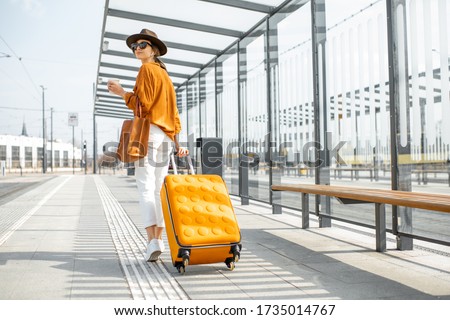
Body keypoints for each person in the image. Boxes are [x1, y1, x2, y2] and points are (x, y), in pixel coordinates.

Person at [108, 29, 188, 262]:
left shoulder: (146, 70)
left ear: (153, 50)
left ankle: (152, 241)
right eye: (135, 46)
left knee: (145, 187)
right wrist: (177, 143)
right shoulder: (166, 76)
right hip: (164, 137)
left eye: (143, 44)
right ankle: (159, 241)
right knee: (157, 189)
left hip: (149, 134)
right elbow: (174, 115)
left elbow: (141, 107)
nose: (138, 48)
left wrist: (122, 92)